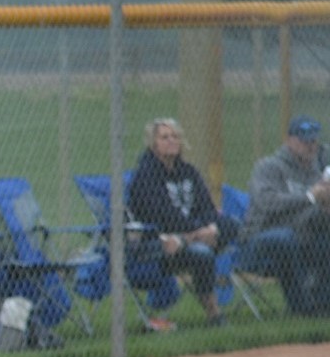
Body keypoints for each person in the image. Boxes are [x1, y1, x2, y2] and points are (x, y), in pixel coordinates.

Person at [126, 117, 239, 331]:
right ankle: (215, 315)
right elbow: (160, 215)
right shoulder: (145, 175)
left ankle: (198, 239)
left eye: (175, 136)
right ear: (153, 143)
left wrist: (209, 227)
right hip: (159, 244)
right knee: (202, 253)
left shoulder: (189, 172)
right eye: (164, 137)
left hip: (187, 236)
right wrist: (199, 231)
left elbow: (206, 206)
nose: (171, 141)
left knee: (232, 224)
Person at [241, 116, 330, 316]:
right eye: (304, 140)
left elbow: (314, 215)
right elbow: (267, 203)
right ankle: (301, 308)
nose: (310, 146)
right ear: (289, 140)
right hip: (261, 238)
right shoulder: (268, 167)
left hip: (303, 236)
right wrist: (309, 197)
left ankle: (324, 304)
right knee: (284, 238)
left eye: (313, 141)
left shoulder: (317, 172)